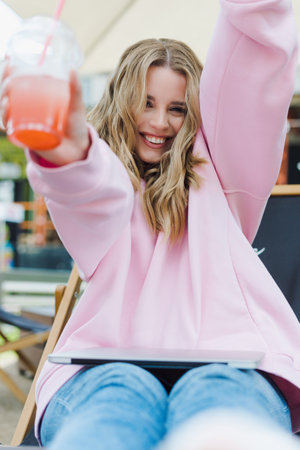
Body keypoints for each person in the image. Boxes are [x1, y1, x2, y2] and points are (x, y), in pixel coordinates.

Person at [1, 0, 300, 449]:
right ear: (123, 101)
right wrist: (68, 149)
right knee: (115, 399)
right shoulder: (105, 181)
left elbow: (249, 81)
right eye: (147, 103)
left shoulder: (223, 175)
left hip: (231, 365)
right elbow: (90, 192)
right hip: (101, 367)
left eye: (178, 108)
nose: (160, 122)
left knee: (218, 397)